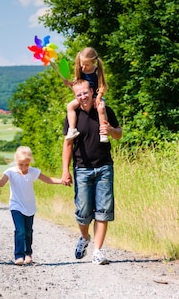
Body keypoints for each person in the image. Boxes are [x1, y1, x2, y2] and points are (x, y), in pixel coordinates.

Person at [62, 79, 122, 265]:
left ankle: (97, 251)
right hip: (82, 168)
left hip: (104, 166)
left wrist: (111, 129)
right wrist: (65, 170)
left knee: (103, 210)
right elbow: (68, 144)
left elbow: (119, 133)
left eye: (85, 93)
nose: (82, 97)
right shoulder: (73, 115)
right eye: (78, 95)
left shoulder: (104, 109)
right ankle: (85, 237)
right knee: (83, 211)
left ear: (92, 92)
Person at [0, 146, 62, 265]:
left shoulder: (34, 172)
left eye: (26, 165)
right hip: (16, 206)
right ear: (16, 161)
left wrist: (61, 181)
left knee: (28, 231)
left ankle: (28, 254)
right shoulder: (10, 172)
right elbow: (1, 183)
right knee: (20, 230)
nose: (24, 167)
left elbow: (47, 179)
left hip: (29, 207)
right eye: (21, 164)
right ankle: (19, 256)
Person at [64, 47, 109, 143]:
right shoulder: (80, 71)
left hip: (95, 97)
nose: (83, 67)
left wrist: (98, 98)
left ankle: (103, 133)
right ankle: (72, 129)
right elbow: (76, 86)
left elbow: (102, 86)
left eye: (86, 65)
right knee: (70, 106)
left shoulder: (97, 71)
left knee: (101, 108)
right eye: (82, 64)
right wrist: (69, 84)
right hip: (83, 96)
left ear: (93, 62)